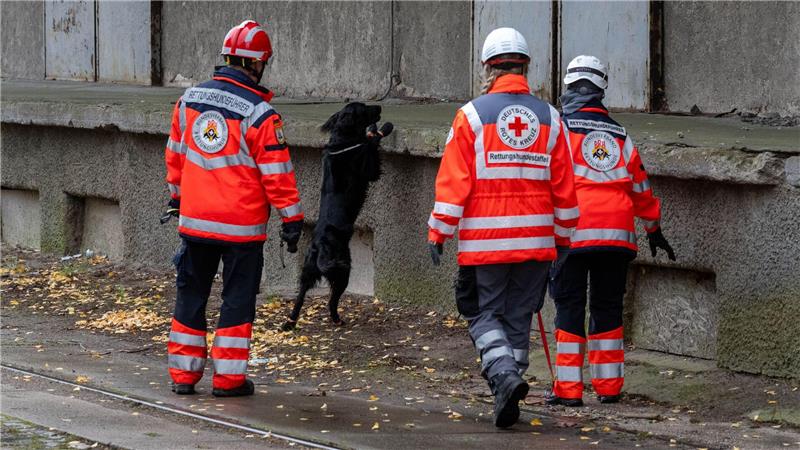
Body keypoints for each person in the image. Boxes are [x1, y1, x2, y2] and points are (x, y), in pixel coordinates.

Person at [426, 27, 579, 428]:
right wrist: (563, 239)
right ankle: (507, 391)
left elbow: (454, 181)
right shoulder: (551, 118)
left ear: (487, 69)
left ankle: (505, 377)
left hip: (486, 243)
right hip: (536, 243)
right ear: (526, 67)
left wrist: (439, 231)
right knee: (518, 316)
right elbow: (565, 188)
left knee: (481, 313)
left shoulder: (472, 116)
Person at [163, 20, 304, 397]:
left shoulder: (189, 100)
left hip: (194, 223)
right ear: (257, 64)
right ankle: (228, 380)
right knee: (237, 300)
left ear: (227, 57)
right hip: (241, 230)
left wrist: (178, 198)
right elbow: (277, 174)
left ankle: (183, 375)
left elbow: (175, 157)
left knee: (190, 295)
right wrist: (292, 219)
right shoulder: (260, 114)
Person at [546, 55, 676, 407]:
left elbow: (547, 181)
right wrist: (653, 228)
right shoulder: (621, 134)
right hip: (617, 236)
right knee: (607, 309)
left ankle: (569, 391)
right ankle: (609, 388)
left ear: (568, 87)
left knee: (570, 307)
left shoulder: (559, 129)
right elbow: (641, 187)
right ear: (602, 89)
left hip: (571, 234)